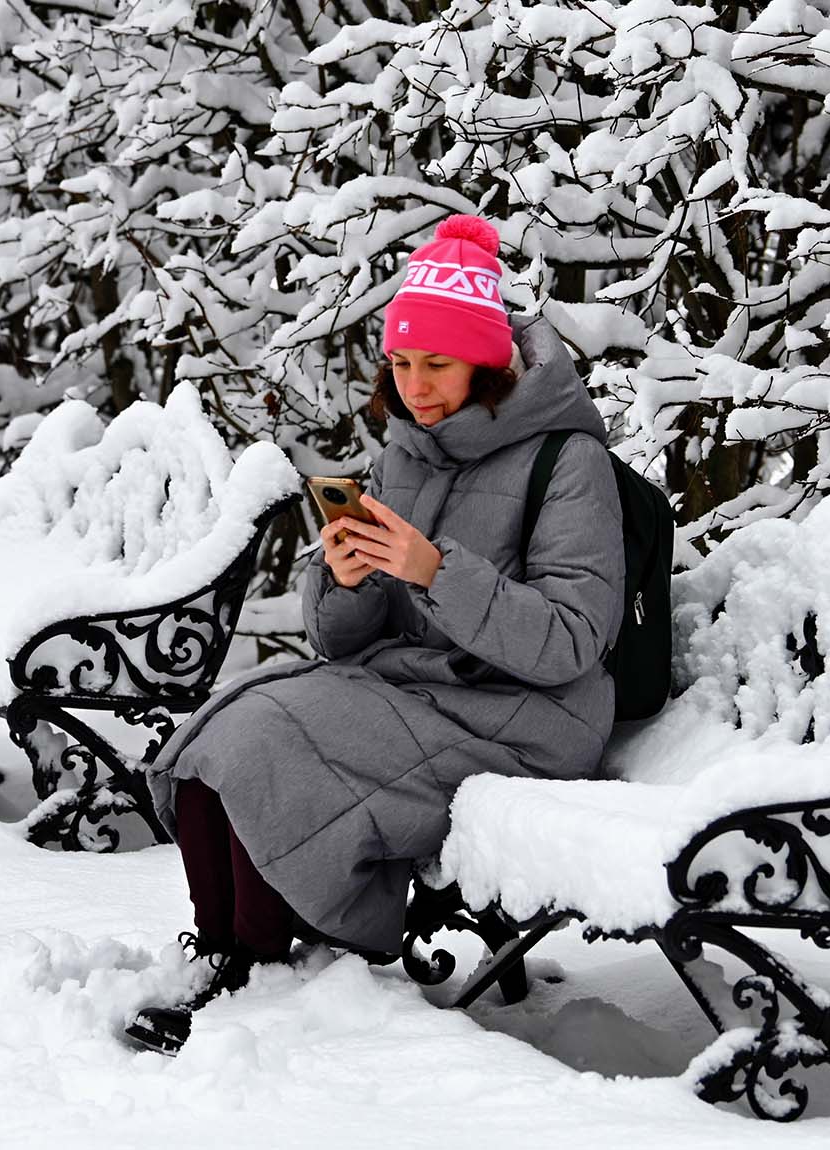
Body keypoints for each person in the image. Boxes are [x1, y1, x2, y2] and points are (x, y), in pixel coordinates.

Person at [126, 214, 626, 1056]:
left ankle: (253, 968)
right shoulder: (405, 454)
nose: (415, 385)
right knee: (225, 723)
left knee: (267, 744)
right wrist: (347, 580)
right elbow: (338, 643)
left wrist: (436, 572)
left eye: (436, 363)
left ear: (489, 362)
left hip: (527, 717)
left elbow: (573, 640)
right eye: (399, 363)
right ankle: (221, 952)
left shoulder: (567, 461)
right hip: (416, 692)